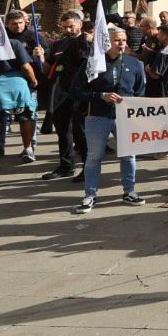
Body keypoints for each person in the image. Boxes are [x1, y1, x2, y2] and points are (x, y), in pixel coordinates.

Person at [73, 26, 147, 213]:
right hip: (98, 117)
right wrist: (100, 95)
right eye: (116, 40)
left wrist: (131, 104)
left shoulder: (135, 64)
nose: (121, 43)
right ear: (107, 42)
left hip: (125, 119)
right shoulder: (93, 63)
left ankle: (129, 191)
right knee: (94, 157)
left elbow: (140, 92)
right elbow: (75, 91)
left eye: (123, 40)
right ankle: (90, 195)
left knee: (128, 156)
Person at [0, 12, 39, 169]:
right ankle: (28, 149)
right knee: (25, 117)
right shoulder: (14, 43)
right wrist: (34, 81)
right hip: (18, 83)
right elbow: (26, 66)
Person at [41, 11, 90, 182]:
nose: (68, 30)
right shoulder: (58, 44)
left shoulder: (88, 42)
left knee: (81, 133)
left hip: (80, 94)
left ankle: (88, 168)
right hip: (61, 92)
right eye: (65, 27)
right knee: (63, 131)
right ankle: (66, 166)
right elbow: (48, 68)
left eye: (71, 26)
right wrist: (40, 58)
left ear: (80, 24)